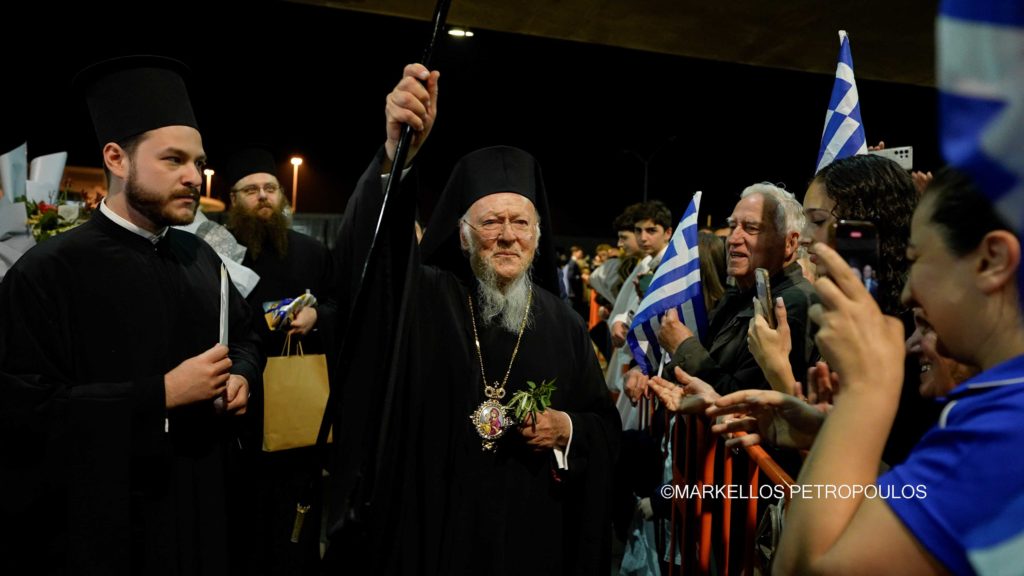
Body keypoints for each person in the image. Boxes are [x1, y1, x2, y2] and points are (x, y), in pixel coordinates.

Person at [326, 63, 620, 575]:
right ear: (462, 235)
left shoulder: (565, 322)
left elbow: (603, 425)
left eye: (520, 222)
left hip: (534, 535)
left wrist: (567, 427)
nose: (507, 236)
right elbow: (373, 266)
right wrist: (397, 156)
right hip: (436, 528)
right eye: (491, 222)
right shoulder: (425, 299)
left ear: (537, 234)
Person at [0, 56, 262, 575]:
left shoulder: (202, 259)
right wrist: (158, 396)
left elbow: (248, 339)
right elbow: (23, 414)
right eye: (173, 160)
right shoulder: (47, 271)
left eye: (198, 161)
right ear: (117, 159)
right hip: (104, 530)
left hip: (204, 513)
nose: (194, 177)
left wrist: (243, 376)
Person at [771, 168, 1024, 574]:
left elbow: (802, 567)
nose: (908, 291)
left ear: (991, 261)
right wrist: (828, 430)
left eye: (917, 258)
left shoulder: (1005, 430)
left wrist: (865, 393)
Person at [221, 146, 337, 576]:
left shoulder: (312, 252)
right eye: (251, 190)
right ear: (233, 200)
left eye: (270, 188)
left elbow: (340, 305)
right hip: (237, 410)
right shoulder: (217, 253)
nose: (263, 196)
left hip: (297, 408)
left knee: (296, 526)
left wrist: (317, 316)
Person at [626, 183, 817, 407]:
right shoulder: (741, 293)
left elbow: (746, 403)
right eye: (732, 226)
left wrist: (683, 347)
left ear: (790, 242)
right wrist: (642, 367)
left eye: (751, 228)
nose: (733, 239)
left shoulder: (792, 305)